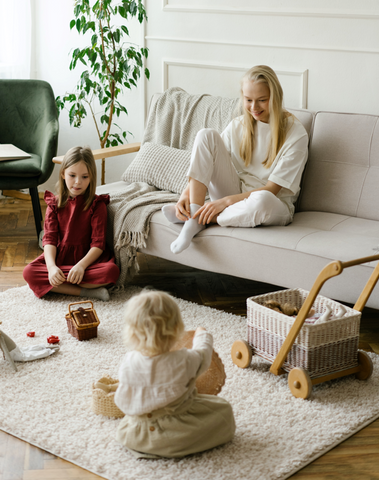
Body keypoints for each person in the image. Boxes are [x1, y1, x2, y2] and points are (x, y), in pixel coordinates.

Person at [162, 65, 309, 254]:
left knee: (262, 199)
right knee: (206, 135)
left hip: (272, 203)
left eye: (262, 100)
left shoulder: (296, 134)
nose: (254, 108)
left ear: (275, 97)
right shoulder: (238, 124)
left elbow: (272, 190)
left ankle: (199, 218)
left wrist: (224, 203)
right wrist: (185, 195)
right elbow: (207, 161)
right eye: (248, 100)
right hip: (235, 190)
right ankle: (195, 213)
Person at [114, 290, 235, 458]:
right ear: (177, 330)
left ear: (132, 332)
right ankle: (174, 446)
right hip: (175, 430)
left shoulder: (128, 361)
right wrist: (202, 334)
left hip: (137, 434)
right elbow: (204, 355)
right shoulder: (183, 360)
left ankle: (148, 446)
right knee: (223, 411)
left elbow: (123, 399)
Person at [23, 146, 119, 300]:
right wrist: (52, 268)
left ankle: (58, 286)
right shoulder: (54, 204)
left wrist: (81, 266)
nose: (77, 182)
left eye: (85, 177)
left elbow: (98, 244)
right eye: (72, 175)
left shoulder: (97, 205)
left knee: (111, 271)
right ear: (63, 174)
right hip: (60, 260)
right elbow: (49, 239)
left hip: (88, 262)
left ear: (91, 177)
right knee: (29, 272)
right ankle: (87, 291)